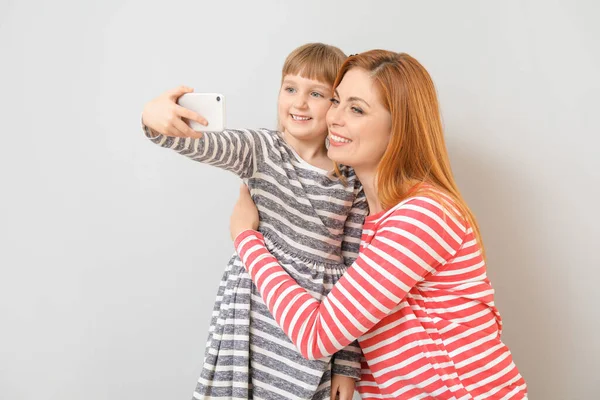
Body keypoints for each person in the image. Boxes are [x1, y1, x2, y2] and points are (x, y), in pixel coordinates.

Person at [230, 50, 528, 399]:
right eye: (336, 101)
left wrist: (246, 238)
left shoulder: (421, 216)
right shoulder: (373, 220)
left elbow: (315, 335)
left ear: (398, 128)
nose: (333, 117)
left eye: (356, 109)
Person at [141, 43, 367, 400]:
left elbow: (356, 275)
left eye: (317, 93)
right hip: (253, 309)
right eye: (290, 88)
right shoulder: (260, 148)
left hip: (315, 321)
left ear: (336, 104)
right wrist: (154, 119)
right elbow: (200, 143)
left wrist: (347, 366)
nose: (299, 103)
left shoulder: (352, 177)